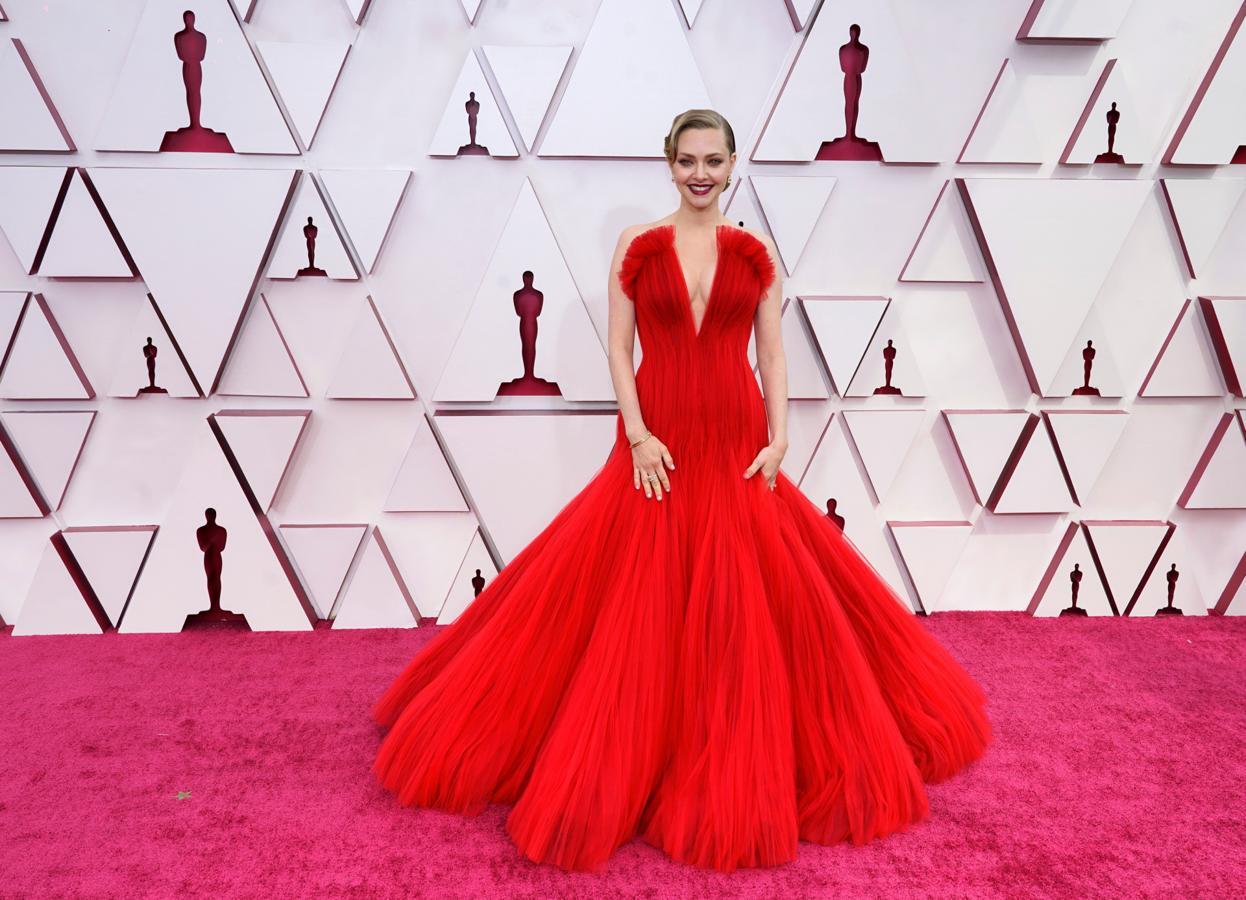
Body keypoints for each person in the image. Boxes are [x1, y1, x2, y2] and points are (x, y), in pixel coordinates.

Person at [371, 108, 992, 873]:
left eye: (714, 160)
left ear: (734, 164)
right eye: (689, 160)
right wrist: (636, 434)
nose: (701, 172)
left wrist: (780, 435)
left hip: (734, 442)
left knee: (746, 606)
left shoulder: (756, 253)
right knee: (639, 602)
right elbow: (619, 346)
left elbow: (770, 352)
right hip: (656, 444)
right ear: (669, 164)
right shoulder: (638, 249)